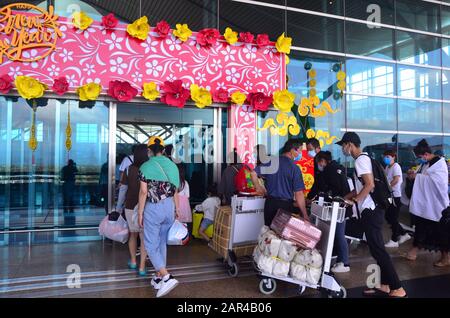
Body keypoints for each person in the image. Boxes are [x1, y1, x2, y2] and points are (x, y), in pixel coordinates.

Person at [337, 132, 407, 298]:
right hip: (371, 210)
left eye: (343, 146)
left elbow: (369, 185)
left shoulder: (361, 160)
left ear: (350, 144)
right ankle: (384, 284)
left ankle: (397, 288)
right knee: (377, 249)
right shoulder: (364, 159)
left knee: (378, 250)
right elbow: (360, 186)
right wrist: (345, 198)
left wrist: (355, 201)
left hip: (371, 211)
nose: (343, 149)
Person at [138, 136, 180, 298]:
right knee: (162, 242)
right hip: (169, 206)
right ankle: (158, 277)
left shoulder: (146, 166)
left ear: (149, 150)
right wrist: (176, 209)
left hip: (153, 208)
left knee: (150, 243)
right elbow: (176, 190)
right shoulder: (172, 166)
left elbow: (143, 192)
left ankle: (166, 276)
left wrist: (141, 212)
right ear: (163, 150)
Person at [404, 139, 449, 267]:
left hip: (437, 206)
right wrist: (415, 175)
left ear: (426, 154)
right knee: (422, 229)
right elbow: (425, 178)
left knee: (441, 234)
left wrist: (417, 178)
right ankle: (413, 251)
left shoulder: (440, 164)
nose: (420, 160)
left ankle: (445, 257)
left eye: (420, 157)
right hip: (427, 206)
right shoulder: (426, 164)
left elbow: (439, 183)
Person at [250, 139, 309, 226]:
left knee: (268, 234)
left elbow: (253, 173)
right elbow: (299, 193)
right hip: (285, 206)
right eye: (299, 150)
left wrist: (258, 187)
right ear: (292, 150)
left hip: (270, 204)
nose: (300, 153)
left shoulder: (271, 162)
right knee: (281, 235)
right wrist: (305, 215)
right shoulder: (294, 168)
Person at [314, 151, 352, 273]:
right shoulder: (336, 168)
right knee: (338, 233)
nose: (318, 165)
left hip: (339, 206)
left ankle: (345, 262)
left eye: (319, 162)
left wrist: (326, 195)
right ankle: (341, 259)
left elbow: (333, 189)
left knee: (339, 234)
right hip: (341, 205)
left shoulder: (330, 170)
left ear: (324, 161)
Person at [122, 144, 149, 276]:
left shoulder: (128, 169)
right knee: (144, 237)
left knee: (132, 234)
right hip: (147, 207)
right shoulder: (150, 169)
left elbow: (123, 189)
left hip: (130, 205)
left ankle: (133, 261)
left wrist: (117, 206)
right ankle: (142, 267)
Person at [383, 150, 411, 248]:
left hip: (395, 196)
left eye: (388, 156)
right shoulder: (387, 167)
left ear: (393, 157)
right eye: (385, 156)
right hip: (390, 196)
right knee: (388, 217)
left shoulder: (396, 166)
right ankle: (404, 234)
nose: (386, 158)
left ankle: (394, 240)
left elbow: (396, 179)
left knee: (393, 218)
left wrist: (388, 187)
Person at [116, 145, 137, 212]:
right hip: (137, 182)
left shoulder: (127, 159)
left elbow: (122, 171)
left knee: (121, 198)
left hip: (127, 182)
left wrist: (120, 182)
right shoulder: (144, 159)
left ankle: (118, 211)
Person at [177, 163, 192, 236]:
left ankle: (175, 237)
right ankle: (183, 237)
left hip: (176, 203)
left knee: (176, 221)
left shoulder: (174, 182)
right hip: (184, 204)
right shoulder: (185, 183)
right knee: (184, 223)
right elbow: (188, 195)